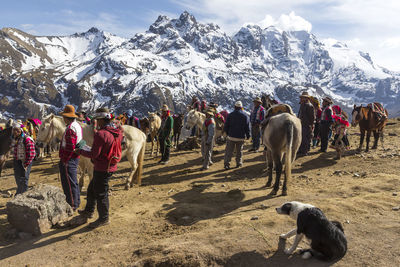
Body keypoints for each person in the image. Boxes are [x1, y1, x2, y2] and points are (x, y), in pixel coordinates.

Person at [77, 108, 123, 228]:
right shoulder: (116, 132)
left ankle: (104, 218)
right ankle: (89, 210)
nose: (96, 122)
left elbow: (94, 154)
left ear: (102, 120)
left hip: (102, 168)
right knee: (92, 189)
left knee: (101, 193)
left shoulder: (101, 134)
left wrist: (81, 150)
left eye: (98, 120)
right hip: (110, 166)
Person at [59, 105, 82, 211]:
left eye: (64, 117)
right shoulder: (77, 126)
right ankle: (76, 201)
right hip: (74, 158)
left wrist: (65, 160)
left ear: (66, 117)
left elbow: (70, 147)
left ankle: (72, 204)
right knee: (73, 181)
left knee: (68, 182)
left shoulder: (70, 129)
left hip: (69, 159)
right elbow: (80, 142)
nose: (63, 119)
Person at [224, 101, 250, 170]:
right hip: (240, 137)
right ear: (241, 107)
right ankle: (238, 163)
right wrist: (248, 135)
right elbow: (247, 127)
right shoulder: (245, 116)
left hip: (231, 136)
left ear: (235, 107)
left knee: (229, 151)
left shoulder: (230, 115)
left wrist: (227, 133)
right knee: (239, 151)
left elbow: (226, 126)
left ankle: (227, 164)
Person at [12, 122, 36, 195]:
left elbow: (31, 154)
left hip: (25, 162)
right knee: (18, 179)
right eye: (14, 130)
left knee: (24, 179)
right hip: (17, 162)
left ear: (21, 130)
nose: (15, 132)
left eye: (17, 130)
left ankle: (23, 195)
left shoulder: (27, 139)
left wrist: (26, 164)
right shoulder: (16, 139)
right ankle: (20, 193)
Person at [297, 92, 315, 156]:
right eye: (301, 98)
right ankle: (301, 150)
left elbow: (312, 117)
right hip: (301, 124)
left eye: (302, 98)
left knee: (305, 138)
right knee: (301, 137)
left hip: (306, 124)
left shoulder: (309, 106)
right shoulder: (303, 105)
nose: (301, 99)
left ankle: (304, 151)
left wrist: (311, 124)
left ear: (306, 98)